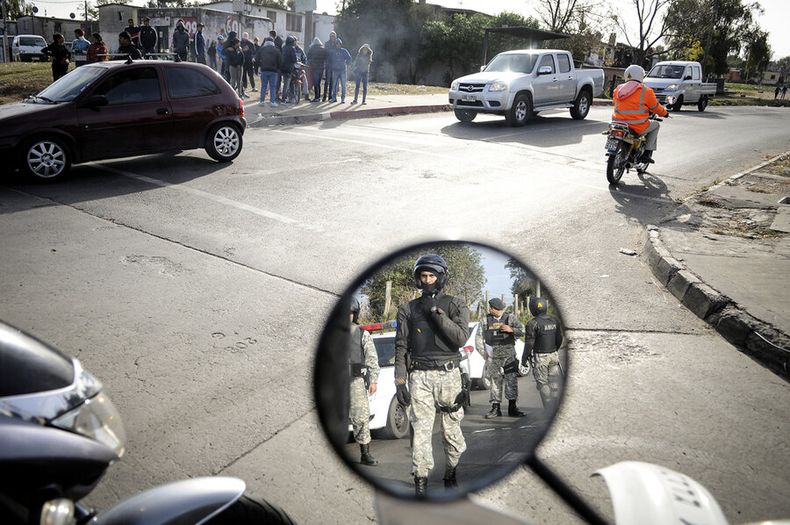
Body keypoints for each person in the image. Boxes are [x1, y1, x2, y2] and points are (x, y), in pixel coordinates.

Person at [394, 254, 470, 497]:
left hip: (449, 376)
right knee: (421, 432)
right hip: (420, 377)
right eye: (423, 276)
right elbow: (401, 346)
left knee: (452, 434)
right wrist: (400, 380)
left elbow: (459, 338)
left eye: (432, 276)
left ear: (441, 277)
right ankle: (421, 482)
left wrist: (436, 312)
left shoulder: (455, 304)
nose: (427, 280)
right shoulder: (407, 308)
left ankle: (451, 473)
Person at [475, 298, 525, 419]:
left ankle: (512, 407)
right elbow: (478, 339)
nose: (492, 310)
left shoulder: (510, 318)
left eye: (496, 309)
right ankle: (495, 408)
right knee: (495, 382)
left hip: (509, 355)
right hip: (493, 357)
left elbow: (523, 330)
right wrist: (485, 355)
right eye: (492, 308)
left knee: (511, 381)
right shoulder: (485, 320)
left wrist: (511, 329)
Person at [611, 64, 669, 165]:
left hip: (617, 123)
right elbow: (655, 107)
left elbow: (616, 103)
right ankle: (646, 154)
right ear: (641, 76)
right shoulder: (646, 91)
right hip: (636, 126)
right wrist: (665, 113)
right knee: (656, 125)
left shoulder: (618, 89)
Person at [347, 296, 380, 467]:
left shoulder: (361, 334)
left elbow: (372, 359)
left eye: (350, 313)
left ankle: (365, 453)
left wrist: (373, 380)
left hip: (355, 381)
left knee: (361, 418)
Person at [521, 297, 563, 412]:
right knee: (554, 381)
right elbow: (559, 338)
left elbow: (529, 344)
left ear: (532, 309)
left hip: (540, 357)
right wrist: (554, 350)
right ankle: (557, 406)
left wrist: (524, 359)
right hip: (554, 355)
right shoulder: (554, 320)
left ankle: (549, 409)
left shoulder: (532, 323)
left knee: (542, 383)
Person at [256, 36, 282, 107]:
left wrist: (259, 66)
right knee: (272, 87)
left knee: (263, 86)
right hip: (274, 71)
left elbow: (256, 59)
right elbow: (280, 60)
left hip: (264, 70)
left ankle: (261, 101)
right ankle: (272, 102)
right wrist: (278, 68)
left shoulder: (262, 49)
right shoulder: (276, 50)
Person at [329, 38, 352, 103]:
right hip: (335, 70)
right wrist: (331, 65)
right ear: (335, 44)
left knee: (343, 85)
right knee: (334, 85)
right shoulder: (333, 51)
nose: (338, 45)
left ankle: (343, 99)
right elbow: (330, 60)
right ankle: (334, 98)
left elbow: (349, 58)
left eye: (339, 44)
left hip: (343, 70)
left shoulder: (344, 51)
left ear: (341, 44)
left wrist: (347, 63)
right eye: (336, 43)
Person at [306, 37, 326, 102]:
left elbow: (308, 57)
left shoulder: (312, 48)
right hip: (321, 68)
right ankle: (318, 97)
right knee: (319, 83)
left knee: (316, 83)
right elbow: (325, 58)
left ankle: (316, 97)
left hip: (315, 68)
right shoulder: (323, 49)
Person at [280, 35, 297, 103]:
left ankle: (287, 96)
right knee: (286, 84)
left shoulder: (284, 47)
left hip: (282, 67)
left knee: (285, 83)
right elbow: (294, 59)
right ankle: (284, 98)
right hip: (289, 68)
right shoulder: (292, 48)